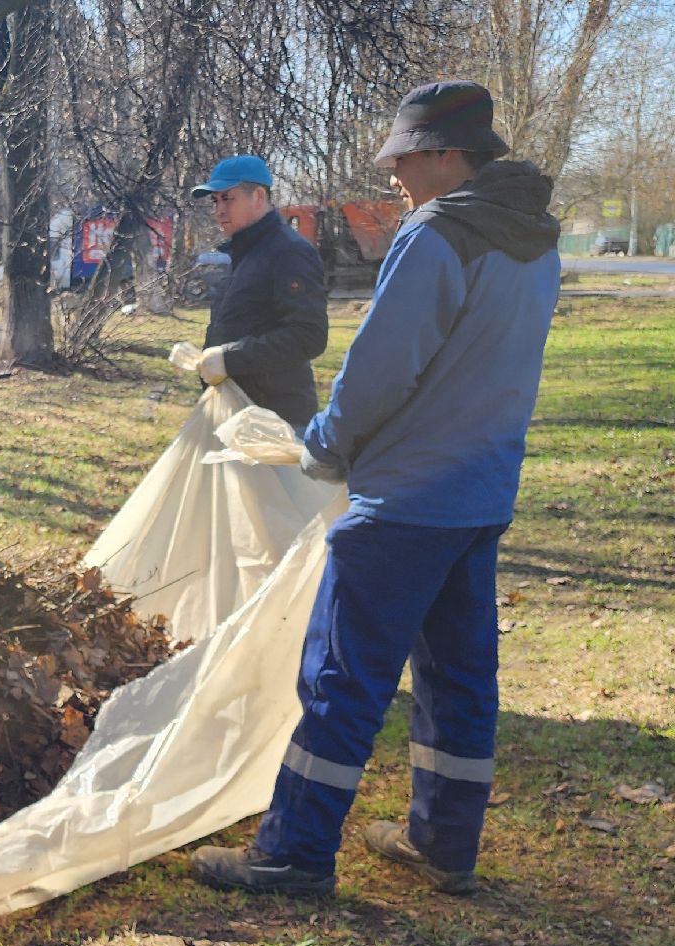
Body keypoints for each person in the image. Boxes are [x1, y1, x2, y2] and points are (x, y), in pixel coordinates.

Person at [191, 81, 562, 898]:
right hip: (478, 493)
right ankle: (443, 844)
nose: (392, 175)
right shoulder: (535, 240)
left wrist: (319, 446)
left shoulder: (438, 234)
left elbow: (377, 369)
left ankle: (291, 853)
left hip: (403, 501)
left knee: (340, 678)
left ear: (440, 155)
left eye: (400, 159)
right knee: (458, 678)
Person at [168, 155, 329, 429]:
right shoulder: (244, 252)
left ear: (258, 196)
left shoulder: (289, 252)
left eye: (228, 199)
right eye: (215, 201)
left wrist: (229, 359)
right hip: (237, 414)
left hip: (275, 420)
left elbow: (309, 336)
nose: (219, 210)